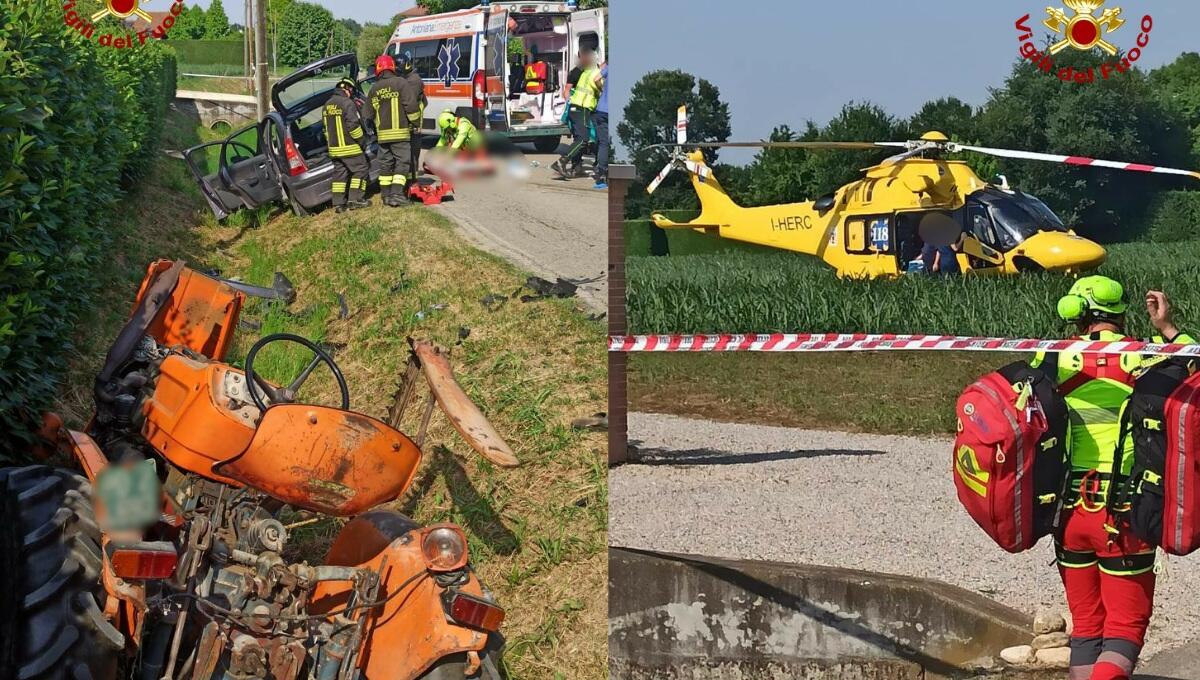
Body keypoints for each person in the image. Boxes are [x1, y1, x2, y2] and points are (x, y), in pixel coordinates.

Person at [1031, 276, 1193, 680]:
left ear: (1076, 313)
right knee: (1124, 627)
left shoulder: (1053, 357)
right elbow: (1193, 362)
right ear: (1120, 313)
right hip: (1122, 513)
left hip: (1068, 514)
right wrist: (1167, 327)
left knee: (1087, 626)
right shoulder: (1143, 355)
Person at [364, 54, 422, 207]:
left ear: (378, 70)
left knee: (386, 165)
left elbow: (367, 114)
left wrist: (372, 131)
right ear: (392, 67)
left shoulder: (374, 88)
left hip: (383, 137)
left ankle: (386, 196)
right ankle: (397, 194)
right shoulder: (401, 83)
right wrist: (416, 122)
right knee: (403, 163)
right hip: (400, 134)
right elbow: (411, 106)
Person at [323, 77, 370, 213]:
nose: (352, 93)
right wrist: (362, 141)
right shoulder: (347, 103)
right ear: (347, 89)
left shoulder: (327, 105)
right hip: (350, 148)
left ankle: (338, 204)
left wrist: (332, 145)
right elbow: (353, 126)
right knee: (361, 170)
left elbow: (325, 129)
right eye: (351, 90)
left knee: (340, 175)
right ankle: (355, 199)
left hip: (334, 149)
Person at [552, 49, 601, 179]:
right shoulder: (595, 73)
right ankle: (561, 162)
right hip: (582, 108)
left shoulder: (585, 72)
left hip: (575, 108)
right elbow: (600, 87)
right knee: (583, 139)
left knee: (579, 138)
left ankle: (577, 167)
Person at [397, 51, 427, 178]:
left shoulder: (413, 81)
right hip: (410, 124)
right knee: (409, 156)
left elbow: (409, 103)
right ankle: (410, 181)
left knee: (411, 156)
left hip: (413, 125)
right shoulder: (408, 79)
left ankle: (412, 182)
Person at [591, 60, 608, 190]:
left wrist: (602, 89)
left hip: (601, 110)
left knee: (603, 143)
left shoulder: (610, 68)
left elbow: (596, 79)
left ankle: (601, 176)